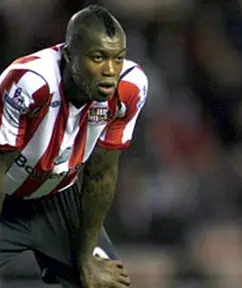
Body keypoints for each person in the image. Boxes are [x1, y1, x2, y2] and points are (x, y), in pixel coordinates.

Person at [0, 4, 148, 287]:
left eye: (118, 59)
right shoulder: (30, 82)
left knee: (106, 281)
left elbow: (101, 173)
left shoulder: (130, 87)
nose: (110, 70)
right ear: (68, 55)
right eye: (98, 57)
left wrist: (85, 258)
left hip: (57, 197)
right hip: (5, 198)